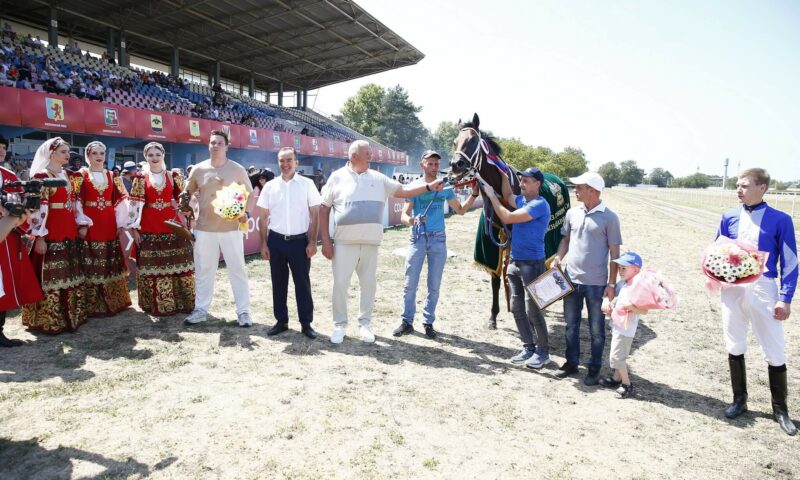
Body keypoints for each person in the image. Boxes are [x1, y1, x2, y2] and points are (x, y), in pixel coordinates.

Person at [319, 140, 444, 344]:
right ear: (353, 156)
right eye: (367, 153)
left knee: (368, 285)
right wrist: (325, 240)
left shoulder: (378, 178)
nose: (371, 156)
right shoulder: (336, 177)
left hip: (371, 243)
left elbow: (403, 192)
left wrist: (429, 187)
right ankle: (340, 325)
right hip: (343, 243)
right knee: (340, 285)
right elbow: (324, 209)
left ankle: (365, 324)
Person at [717, 168, 797, 436]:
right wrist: (715, 275)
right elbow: (716, 250)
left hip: (763, 288)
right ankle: (739, 399)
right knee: (734, 342)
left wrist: (785, 298)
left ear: (761, 187)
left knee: (774, 349)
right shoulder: (728, 216)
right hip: (732, 288)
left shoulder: (781, 219)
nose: (738, 190)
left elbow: (790, 262)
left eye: (744, 186)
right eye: (737, 186)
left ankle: (780, 409)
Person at [393, 150, 480, 339]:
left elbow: (460, 210)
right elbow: (403, 216)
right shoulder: (414, 187)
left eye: (436, 164)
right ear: (422, 165)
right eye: (430, 163)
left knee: (434, 285)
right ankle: (407, 322)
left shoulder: (445, 186)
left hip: (438, 239)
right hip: (417, 238)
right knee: (410, 284)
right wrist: (413, 220)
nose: (434, 167)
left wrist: (473, 195)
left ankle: (428, 322)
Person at [551, 171, 622, 385]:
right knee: (570, 325)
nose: (575, 191)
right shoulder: (572, 214)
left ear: (592, 190)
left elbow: (615, 254)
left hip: (596, 284)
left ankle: (594, 367)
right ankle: (571, 363)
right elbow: (565, 240)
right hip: (571, 280)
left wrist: (611, 284)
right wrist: (558, 257)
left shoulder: (610, 218)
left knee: (596, 330)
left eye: (579, 187)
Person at [480, 167, 552, 367]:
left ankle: (543, 352)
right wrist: (503, 173)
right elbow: (509, 194)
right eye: (521, 180)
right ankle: (528, 346)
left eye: (526, 181)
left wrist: (492, 196)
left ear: (537, 184)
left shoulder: (539, 205)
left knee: (533, 310)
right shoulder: (522, 200)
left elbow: (507, 217)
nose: (521, 184)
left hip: (532, 263)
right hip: (514, 262)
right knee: (517, 308)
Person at [181, 130, 253, 326]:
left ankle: (243, 312)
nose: (215, 146)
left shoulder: (237, 169)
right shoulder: (198, 169)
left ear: (227, 146)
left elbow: (250, 194)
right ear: (208, 145)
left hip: (232, 228)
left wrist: (246, 213)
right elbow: (186, 194)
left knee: (237, 270)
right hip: (204, 228)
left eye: (219, 143)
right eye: (212, 143)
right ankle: (200, 310)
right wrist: (186, 206)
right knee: (204, 270)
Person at [22, 138, 90, 334]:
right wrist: (40, 237)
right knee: (51, 276)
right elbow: (38, 210)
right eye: (62, 151)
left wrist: (82, 223)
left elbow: (76, 203)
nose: (67, 155)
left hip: (68, 230)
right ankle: (50, 319)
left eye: (68, 151)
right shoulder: (41, 176)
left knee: (70, 273)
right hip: (51, 231)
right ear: (51, 153)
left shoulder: (71, 176)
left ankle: (71, 316)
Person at [257, 147, 321, 339]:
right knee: (278, 282)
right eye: (281, 161)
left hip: (300, 242)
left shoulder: (307, 184)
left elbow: (315, 214)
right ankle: (281, 321)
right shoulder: (270, 186)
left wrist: (312, 242)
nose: (285, 164)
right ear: (278, 163)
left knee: (302, 283)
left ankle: (306, 323)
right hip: (275, 241)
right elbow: (262, 218)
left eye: (289, 160)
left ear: (296, 162)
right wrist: (263, 244)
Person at [128, 142, 195, 316]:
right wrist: (135, 230)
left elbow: (184, 198)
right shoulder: (141, 178)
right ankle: (155, 303)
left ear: (163, 155)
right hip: (149, 225)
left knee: (177, 262)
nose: (154, 158)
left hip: (170, 224)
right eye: (150, 155)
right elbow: (135, 206)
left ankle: (182, 301)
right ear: (145, 157)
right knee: (153, 265)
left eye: (157, 154)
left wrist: (187, 211)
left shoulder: (173, 175)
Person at [77, 141, 132, 317]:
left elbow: (122, 199)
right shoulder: (80, 175)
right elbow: (76, 201)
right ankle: (91, 304)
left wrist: (120, 223)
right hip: (91, 222)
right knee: (90, 259)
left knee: (108, 258)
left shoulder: (112, 175)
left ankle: (112, 301)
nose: (99, 156)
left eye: (102, 153)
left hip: (108, 222)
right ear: (88, 156)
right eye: (95, 153)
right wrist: (82, 223)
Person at [1, 143, 44, 346]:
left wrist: (25, 212)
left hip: (9, 236)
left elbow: (21, 203)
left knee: (4, 284)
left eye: (3, 147)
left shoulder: (8, 175)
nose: (1, 151)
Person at [599, 252, 648, 398]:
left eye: (624, 268)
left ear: (636, 270)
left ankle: (627, 384)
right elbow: (614, 300)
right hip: (617, 326)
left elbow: (644, 311)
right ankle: (616, 378)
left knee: (616, 358)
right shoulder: (622, 284)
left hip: (626, 330)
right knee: (619, 355)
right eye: (620, 268)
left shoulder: (638, 288)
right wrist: (609, 305)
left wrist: (631, 307)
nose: (620, 271)